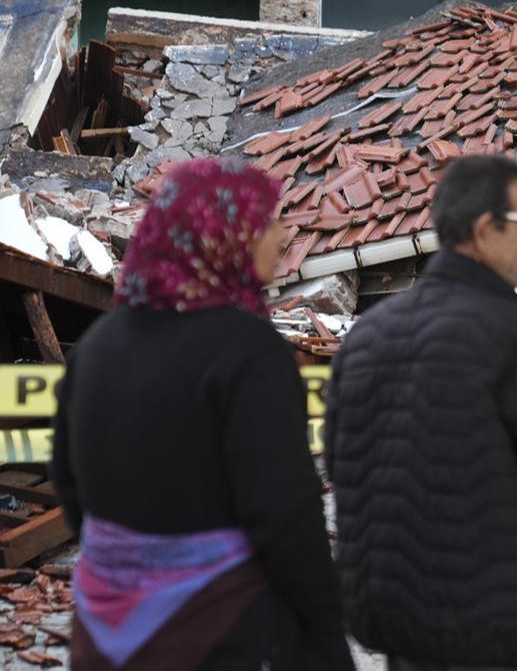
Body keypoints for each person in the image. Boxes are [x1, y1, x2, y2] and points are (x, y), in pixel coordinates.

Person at [51, 158, 354, 671]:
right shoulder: (249, 353)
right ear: (221, 235)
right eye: (268, 221)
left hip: (105, 636)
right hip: (223, 636)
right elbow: (286, 520)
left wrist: (133, 571)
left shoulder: (97, 346)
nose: (283, 236)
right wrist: (327, 640)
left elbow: (69, 483)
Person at [326, 154, 517, 671]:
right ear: (483, 230)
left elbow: (346, 471)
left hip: (400, 621)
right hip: (505, 625)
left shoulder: (366, 335)